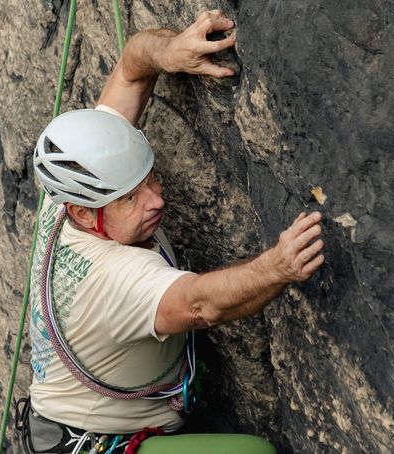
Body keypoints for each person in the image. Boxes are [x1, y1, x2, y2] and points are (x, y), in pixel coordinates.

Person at [20, 10, 324, 454]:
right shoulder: (112, 279)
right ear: (85, 216)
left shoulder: (79, 182)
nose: (155, 200)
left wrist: (170, 49)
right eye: (131, 198)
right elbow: (201, 305)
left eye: (151, 179)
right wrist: (278, 267)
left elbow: (130, 68)